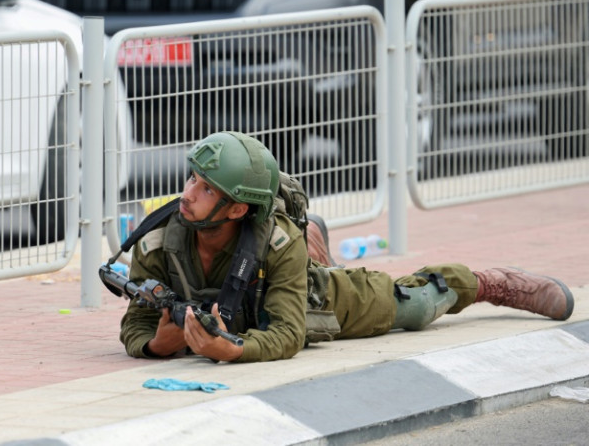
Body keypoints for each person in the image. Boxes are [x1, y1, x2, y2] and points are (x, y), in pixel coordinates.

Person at [119, 131, 575, 363]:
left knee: (414, 306)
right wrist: (158, 346)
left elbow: (288, 334)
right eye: (191, 179)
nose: (187, 195)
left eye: (206, 189)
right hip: (267, 292)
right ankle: (314, 244)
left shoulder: (274, 242)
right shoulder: (161, 238)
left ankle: (491, 284)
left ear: (238, 210)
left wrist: (235, 352)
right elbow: (135, 323)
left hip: (315, 299)